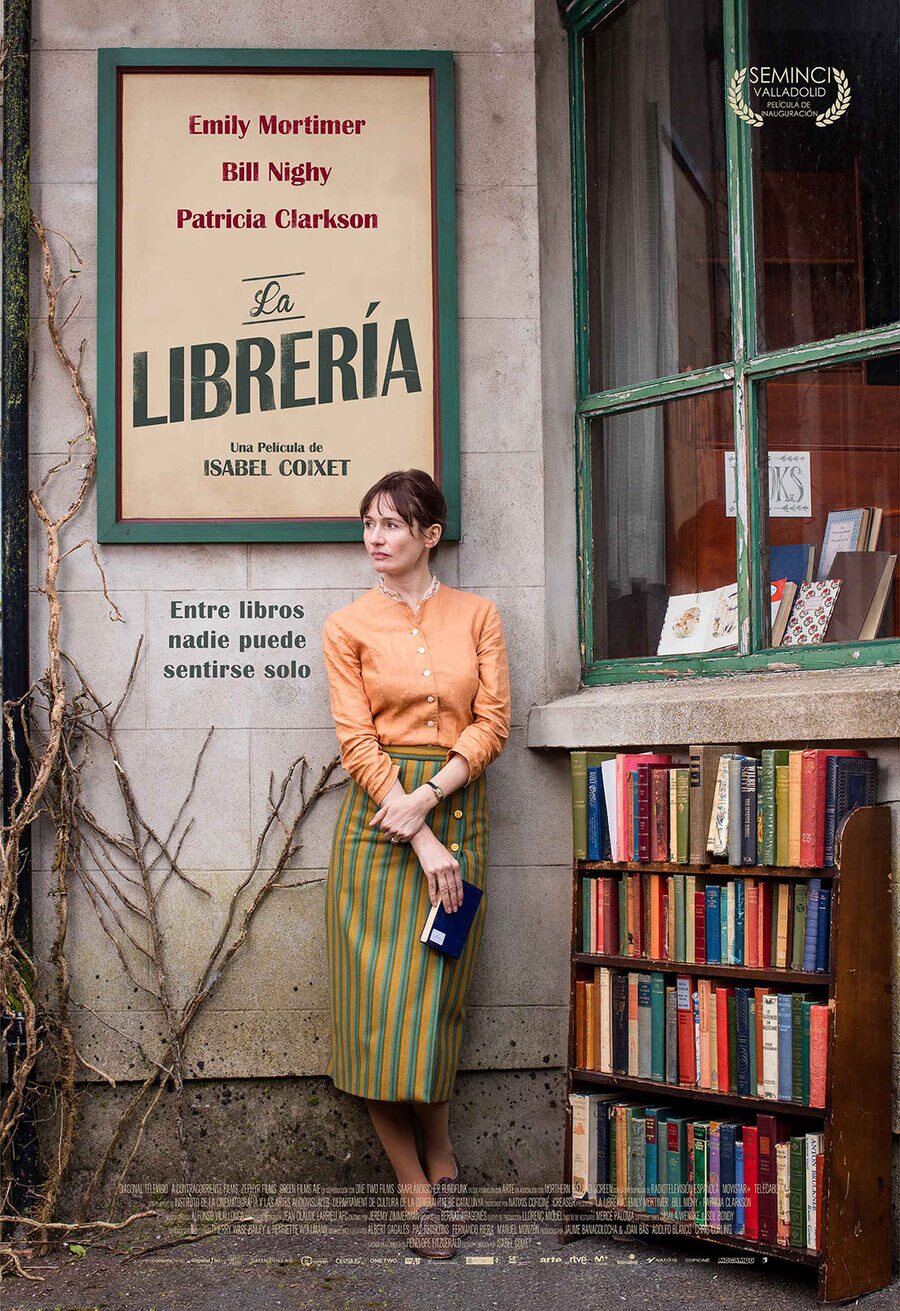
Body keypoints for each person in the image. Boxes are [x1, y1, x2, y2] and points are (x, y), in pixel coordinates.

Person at [321, 468, 511, 1259]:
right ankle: (415, 1185)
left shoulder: (479, 615)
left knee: (432, 1009)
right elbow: (356, 739)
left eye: (392, 524)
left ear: (430, 533)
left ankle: (443, 1154)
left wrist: (432, 796)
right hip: (378, 830)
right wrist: (417, 826)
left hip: (455, 808)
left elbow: (494, 719)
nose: (375, 537)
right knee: (376, 1017)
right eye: (368, 523)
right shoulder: (346, 626)